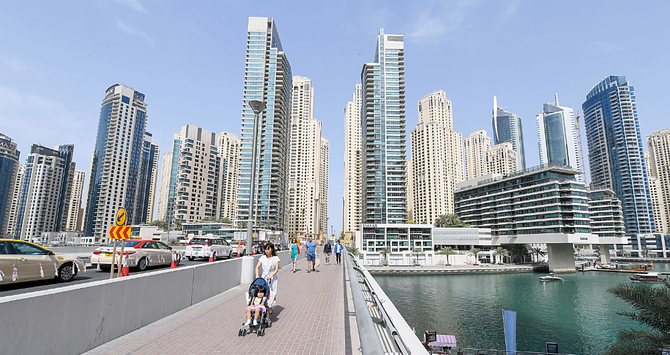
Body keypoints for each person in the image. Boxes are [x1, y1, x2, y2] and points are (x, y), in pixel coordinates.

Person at [255, 243, 280, 310]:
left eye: (268, 249)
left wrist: (271, 276)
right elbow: (257, 267)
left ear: (272, 249)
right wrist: (257, 276)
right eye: (266, 249)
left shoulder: (275, 258)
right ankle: (263, 304)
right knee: (263, 291)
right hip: (264, 277)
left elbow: (276, 269)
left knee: (272, 291)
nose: (267, 251)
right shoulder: (262, 258)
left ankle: (271, 306)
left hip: (272, 277)